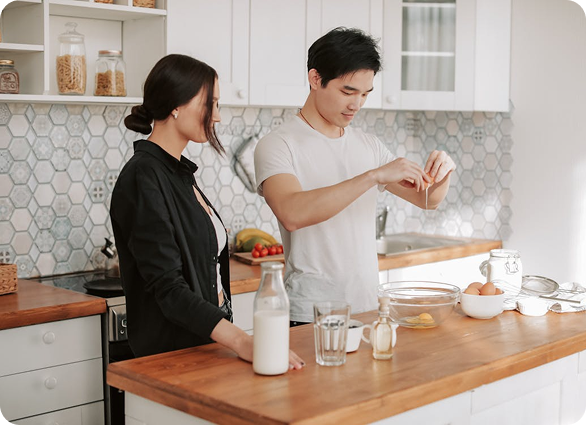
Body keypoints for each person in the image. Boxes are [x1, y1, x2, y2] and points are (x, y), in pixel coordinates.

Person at [110, 54, 304, 369]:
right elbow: (169, 288)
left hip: (202, 344)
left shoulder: (177, 173)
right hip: (173, 355)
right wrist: (242, 341)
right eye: (210, 104)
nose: (217, 117)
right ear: (176, 104)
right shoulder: (143, 176)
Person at [254, 27, 456, 325]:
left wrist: (444, 170)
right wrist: (373, 176)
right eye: (348, 92)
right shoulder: (278, 144)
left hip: (368, 307)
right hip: (310, 313)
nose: (356, 104)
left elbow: (428, 199)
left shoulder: (368, 145)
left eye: (364, 94)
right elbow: (292, 212)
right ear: (315, 79)